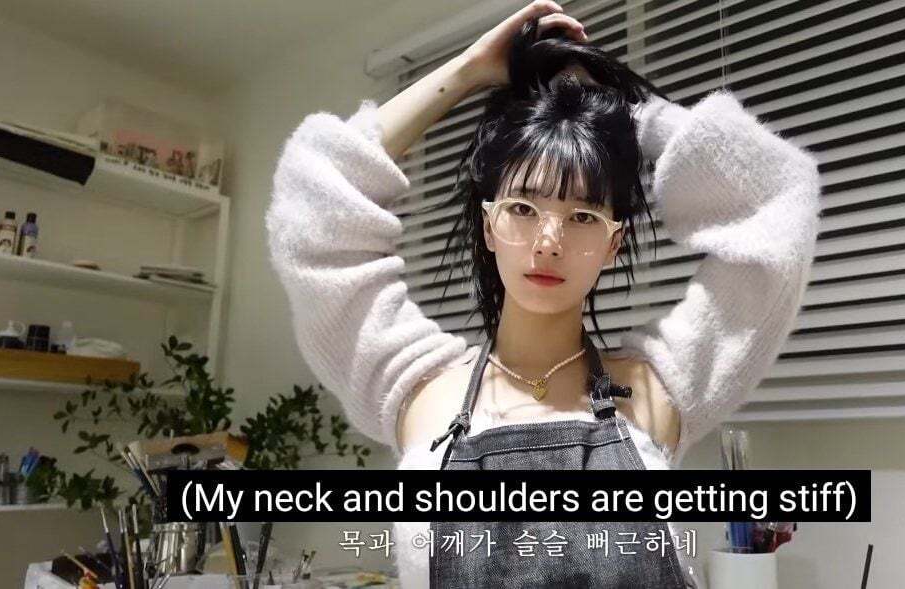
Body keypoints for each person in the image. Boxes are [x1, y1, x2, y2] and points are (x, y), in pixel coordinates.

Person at [265, 1, 823, 587]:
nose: (549, 242)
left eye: (582, 216)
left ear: (613, 244)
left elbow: (778, 194)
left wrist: (622, 110)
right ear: (488, 225)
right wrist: (469, 72)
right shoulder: (416, 389)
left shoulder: (658, 391)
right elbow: (314, 201)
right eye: (524, 209)